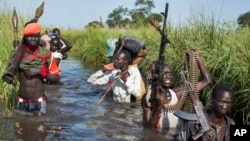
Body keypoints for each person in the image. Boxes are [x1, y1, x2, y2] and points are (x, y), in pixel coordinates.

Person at [141, 49, 211, 134]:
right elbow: (148, 128)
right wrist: (158, 108)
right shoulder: (148, 98)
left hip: (173, 136)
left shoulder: (175, 94)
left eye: (170, 73)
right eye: (164, 73)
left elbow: (206, 80)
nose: (168, 76)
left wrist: (197, 57)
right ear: (156, 76)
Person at [2, 23, 59, 115]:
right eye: (29, 36)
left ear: (39, 37)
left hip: (39, 101)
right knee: (20, 127)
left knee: (39, 126)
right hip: (21, 100)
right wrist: (9, 78)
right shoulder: (16, 54)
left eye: (35, 36)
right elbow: (9, 73)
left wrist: (40, 71)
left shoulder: (46, 54)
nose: (33, 39)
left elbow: (56, 78)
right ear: (25, 38)